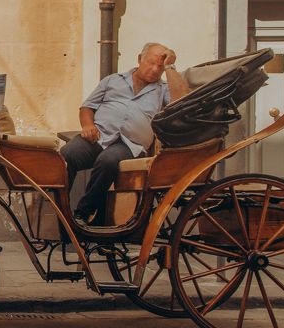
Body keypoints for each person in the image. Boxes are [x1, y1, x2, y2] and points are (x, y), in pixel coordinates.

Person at [61, 42, 190, 224]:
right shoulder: (113, 80)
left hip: (130, 144)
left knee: (108, 161)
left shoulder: (163, 90)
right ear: (139, 59)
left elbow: (183, 102)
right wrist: (88, 124)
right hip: (99, 134)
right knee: (67, 155)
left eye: (160, 67)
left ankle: (83, 213)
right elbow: (87, 107)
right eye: (150, 63)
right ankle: (59, 213)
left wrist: (171, 66)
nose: (154, 70)